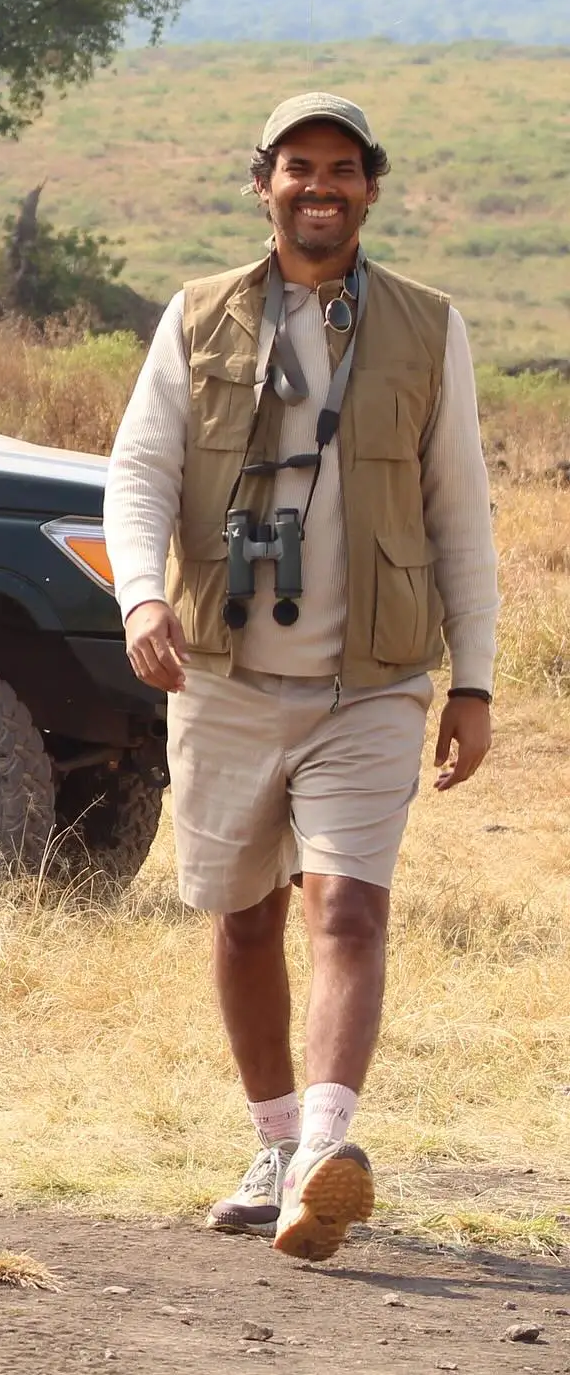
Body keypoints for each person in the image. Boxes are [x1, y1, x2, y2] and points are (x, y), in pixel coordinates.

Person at [103, 92, 497, 1262]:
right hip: (225, 672)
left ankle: (329, 1146)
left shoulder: (431, 327)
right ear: (263, 183)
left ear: (371, 186)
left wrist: (470, 680)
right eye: (296, 167)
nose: (318, 186)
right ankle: (276, 1145)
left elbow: (461, 514)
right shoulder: (197, 317)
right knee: (239, 921)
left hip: (369, 679)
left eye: (340, 168)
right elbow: (138, 471)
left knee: (351, 903)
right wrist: (140, 594)